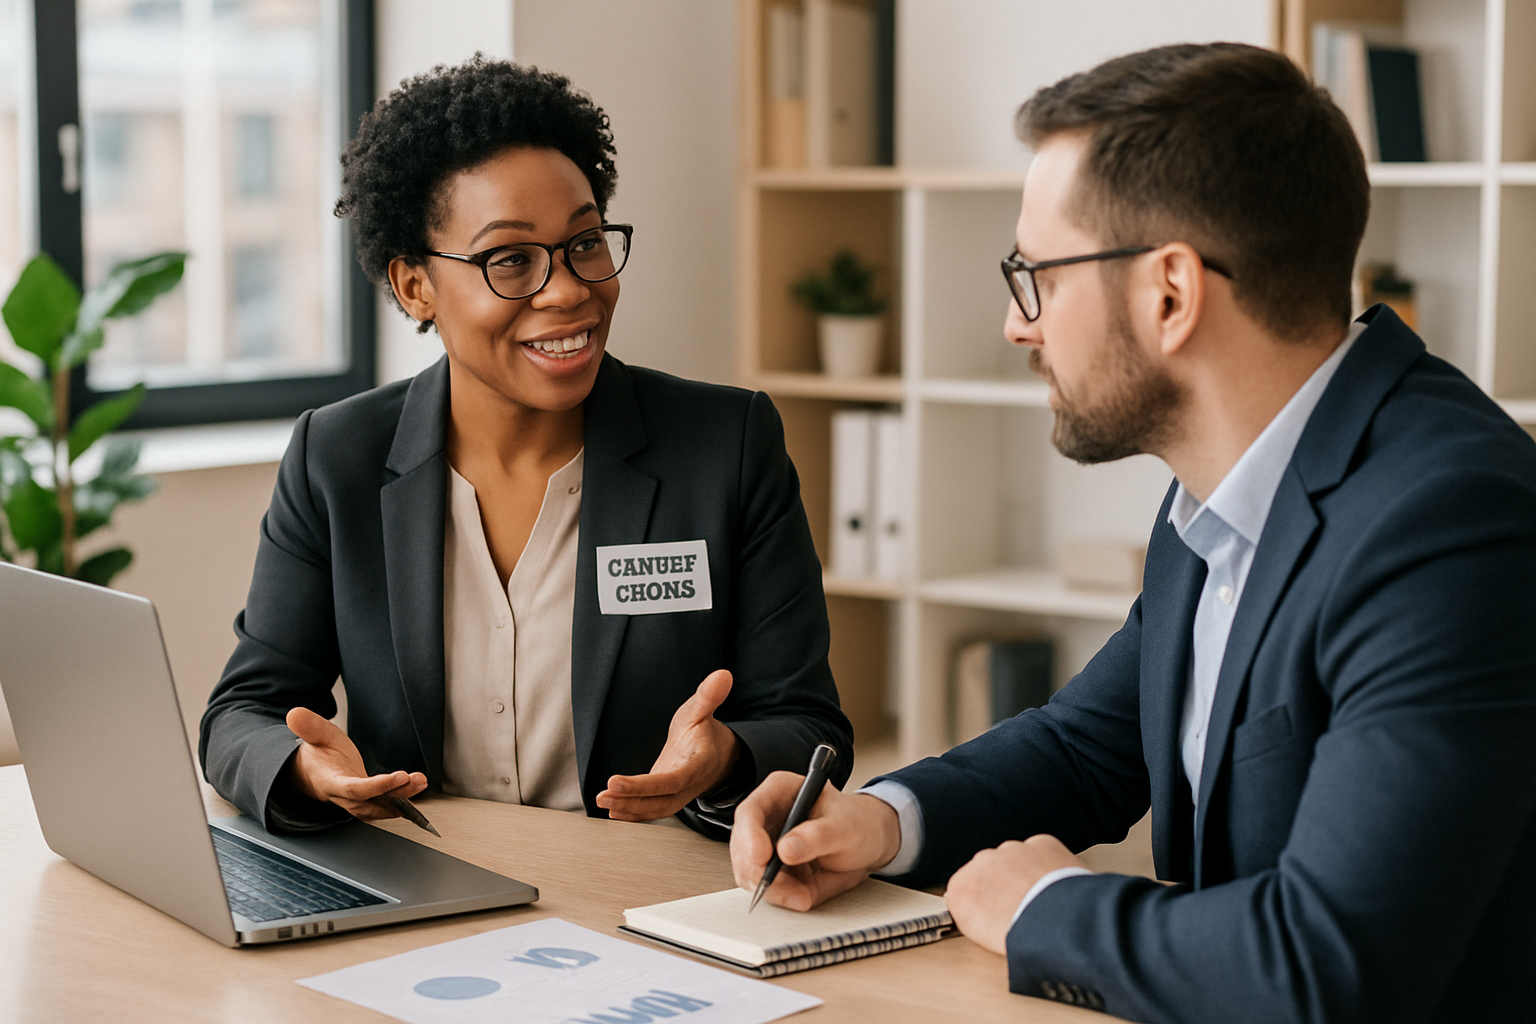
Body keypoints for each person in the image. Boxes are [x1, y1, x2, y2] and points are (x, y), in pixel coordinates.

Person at [730, 42, 1536, 1022]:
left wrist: (1046, 905)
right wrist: (881, 821)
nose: (1016, 325)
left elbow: (1331, 964)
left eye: (1038, 276)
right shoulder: (1220, 486)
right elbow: (1087, 748)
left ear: (1170, 293)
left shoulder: (1449, 523)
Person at [200, 57, 852, 841]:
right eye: (510, 260)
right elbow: (241, 714)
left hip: (645, 896)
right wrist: (307, 770)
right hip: (427, 888)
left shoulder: (726, 445)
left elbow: (808, 722)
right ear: (414, 287)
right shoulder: (335, 457)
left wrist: (726, 756)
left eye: (585, 243)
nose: (569, 289)